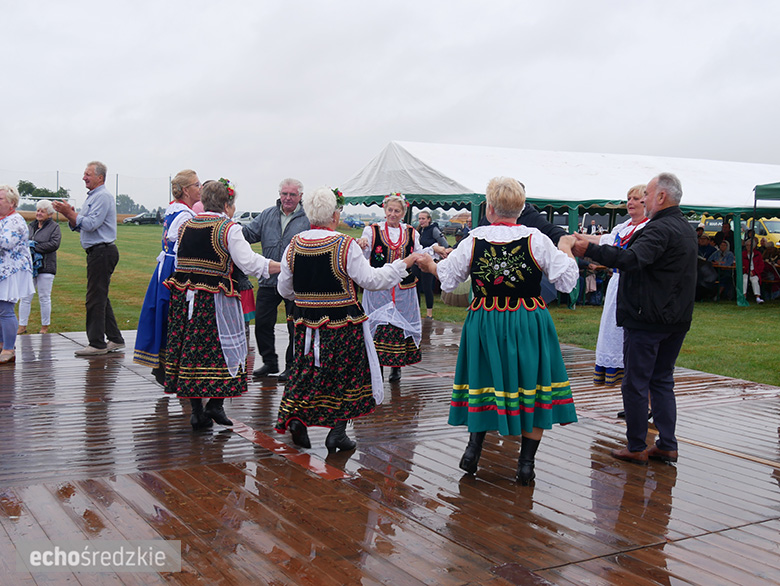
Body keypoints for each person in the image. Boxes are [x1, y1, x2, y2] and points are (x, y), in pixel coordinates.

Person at [417, 177, 579, 485]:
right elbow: (567, 281)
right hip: (528, 319)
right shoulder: (536, 238)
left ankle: (473, 451)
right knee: (532, 384)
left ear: (490, 208)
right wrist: (568, 248)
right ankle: (526, 465)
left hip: (486, 319)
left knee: (485, 380)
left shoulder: (475, 239)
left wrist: (430, 265)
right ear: (520, 208)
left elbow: (450, 281)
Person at [275, 187, 423, 451]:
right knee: (347, 375)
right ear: (334, 215)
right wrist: (404, 264)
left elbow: (284, 289)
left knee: (304, 369)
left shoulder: (295, 243)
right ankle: (337, 432)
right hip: (342, 322)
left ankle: (296, 417)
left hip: (306, 322)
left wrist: (309, 294)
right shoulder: (344, 244)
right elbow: (371, 280)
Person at [572, 172, 697, 465]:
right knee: (662, 380)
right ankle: (666, 443)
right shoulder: (685, 228)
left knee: (636, 382)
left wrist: (588, 250)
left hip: (648, 318)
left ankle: (638, 444)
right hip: (675, 318)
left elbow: (631, 259)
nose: (643, 201)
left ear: (661, 197)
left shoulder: (659, 229)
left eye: (647, 196)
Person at [164, 179, 280, 429]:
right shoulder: (227, 228)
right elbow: (249, 263)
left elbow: (178, 263)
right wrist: (282, 266)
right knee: (225, 349)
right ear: (227, 204)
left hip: (186, 299)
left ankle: (197, 411)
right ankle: (214, 405)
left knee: (191, 353)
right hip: (214, 300)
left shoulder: (185, 225)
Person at [133, 170, 201, 384]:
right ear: (185, 190)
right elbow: (182, 246)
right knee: (176, 317)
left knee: (164, 313)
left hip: (166, 266)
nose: (200, 188)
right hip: (175, 269)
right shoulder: (185, 215)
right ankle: (170, 366)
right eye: (197, 185)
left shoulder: (174, 210)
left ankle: (165, 364)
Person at [53, 161, 126, 356]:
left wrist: (69, 213)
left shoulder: (102, 196)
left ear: (100, 177)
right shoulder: (93, 197)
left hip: (102, 252)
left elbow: (91, 224)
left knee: (95, 298)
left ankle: (97, 344)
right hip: (98, 252)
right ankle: (115, 339)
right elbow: (80, 224)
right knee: (100, 296)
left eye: (88, 174)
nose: (84, 177)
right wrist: (71, 214)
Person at [243, 178, 309, 381]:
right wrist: (227, 228)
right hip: (268, 279)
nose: (288, 198)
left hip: (295, 283)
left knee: (294, 326)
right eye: (284, 194)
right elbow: (247, 234)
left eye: (292, 194)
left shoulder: (307, 218)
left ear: (300, 197)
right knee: (262, 323)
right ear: (279, 194)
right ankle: (270, 362)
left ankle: (292, 365)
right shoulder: (267, 215)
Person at [359, 193, 429, 383]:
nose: (392, 214)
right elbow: (363, 255)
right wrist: (363, 244)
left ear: (403, 213)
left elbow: (419, 253)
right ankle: (378, 367)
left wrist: (435, 252)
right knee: (379, 326)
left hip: (403, 289)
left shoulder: (411, 232)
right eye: (390, 210)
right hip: (379, 289)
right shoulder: (372, 231)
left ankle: (396, 367)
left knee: (399, 326)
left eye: (397, 211)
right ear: (384, 210)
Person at [588, 185, 648, 388]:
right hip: (617, 284)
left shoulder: (648, 228)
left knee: (632, 341)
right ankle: (628, 397)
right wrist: (575, 238)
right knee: (612, 331)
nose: (630, 202)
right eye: (628, 198)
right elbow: (603, 241)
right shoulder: (623, 227)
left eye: (635, 198)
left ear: (645, 202)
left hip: (635, 286)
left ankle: (641, 399)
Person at [0, 185, 35, 365]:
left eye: (0, 199)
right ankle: (2, 344)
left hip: (11, 271)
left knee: (5, 309)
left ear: (12, 203)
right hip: (3, 271)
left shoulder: (15, 220)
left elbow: (6, 242)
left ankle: (9, 348)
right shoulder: (3, 219)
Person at [17, 199, 62, 335]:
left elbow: (54, 244)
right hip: (30, 267)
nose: (39, 213)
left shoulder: (54, 227)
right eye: (38, 210)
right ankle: (22, 325)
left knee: (44, 296)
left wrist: (34, 246)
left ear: (49, 214)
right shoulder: (31, 226)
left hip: (46, 267)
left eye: (42, 211)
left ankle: (44, 326)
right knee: (25, 296)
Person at [414, 210, 450, 318]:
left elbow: (445, 244)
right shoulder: (419, 230)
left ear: (429, 219)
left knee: (427, 287)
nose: (421, 221)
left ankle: (429, 313)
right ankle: (417, 311)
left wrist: (439, 253)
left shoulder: (433, 230)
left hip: (428, 263)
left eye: (423, 219)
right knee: (416, 286)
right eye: (419, 219)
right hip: (417, 263)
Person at [742, 237, 765, 304]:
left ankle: (757, 297)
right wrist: (747, 271)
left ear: (754, 246)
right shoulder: (743, 254)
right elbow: (742, 265)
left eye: (750, 245)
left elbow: (761, 266)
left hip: (755, 272)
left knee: (755, 280)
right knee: (744, 279)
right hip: (746, 272)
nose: (748, 247)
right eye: (747, 245)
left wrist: (754, 272)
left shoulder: (758, 254)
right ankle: (744, 296)